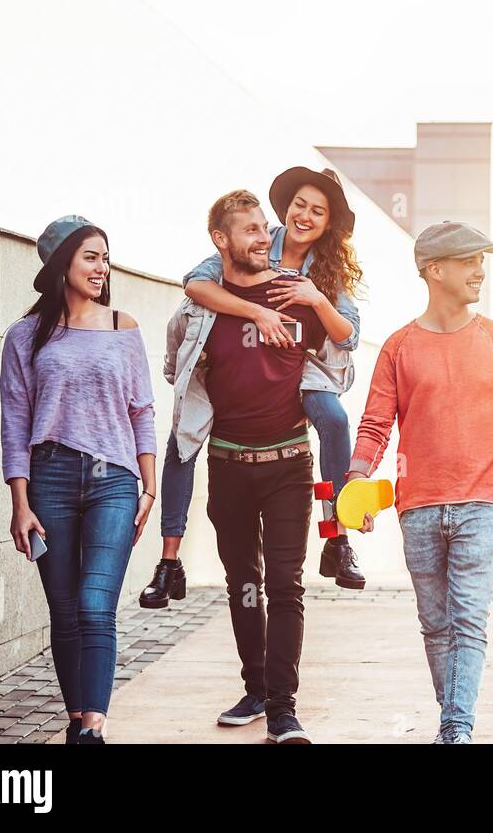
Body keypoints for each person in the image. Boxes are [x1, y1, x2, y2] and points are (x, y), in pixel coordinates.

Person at [348, 221, 493, 744]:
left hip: (482, 501)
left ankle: (456, 728)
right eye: (469, 261)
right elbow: (375, 424)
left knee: (468, 622)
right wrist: (356, 487)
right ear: (435, 270)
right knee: (435, 624)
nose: (480, 271)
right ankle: (455, 721)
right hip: (418, 505)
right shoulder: (399, 346)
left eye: (483, 260)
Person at [142, 166, 363, 607]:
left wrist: (315, 298)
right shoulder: (257, 238)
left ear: (327, 223)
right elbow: (196, 283)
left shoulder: (328, 269)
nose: (305, 215)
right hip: (244, 366)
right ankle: (169, 562)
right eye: (300, 204)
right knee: (182, 438)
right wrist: (256, 312)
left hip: (302, 370)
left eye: (317, 211)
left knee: (335, 420)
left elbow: (349, 336)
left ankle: (336, 539)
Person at [172, 189, 332, 743]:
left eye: (266, 228)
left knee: (286, 586)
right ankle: (255, 688)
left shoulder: (295, 295)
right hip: (230, 466)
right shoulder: (200, 305)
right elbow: (178, 367)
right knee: (244, 582)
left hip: (289, 463)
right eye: (251, 230)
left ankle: (284, 709)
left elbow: (337, 355)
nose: (265, 237)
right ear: (221, 241)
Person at [0, 216, 158, 745]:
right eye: (90, 256)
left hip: (114, 480)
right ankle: (77, 723)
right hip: (49, 480)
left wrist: (149, 486)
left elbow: (142, 411)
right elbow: (15, 420)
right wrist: (20, 502)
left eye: (105, 257)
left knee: (95, 604)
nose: (101, 267)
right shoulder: (24, 336)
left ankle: (94, 725)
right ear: (61, 263)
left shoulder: (123, 327)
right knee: (64, 609)